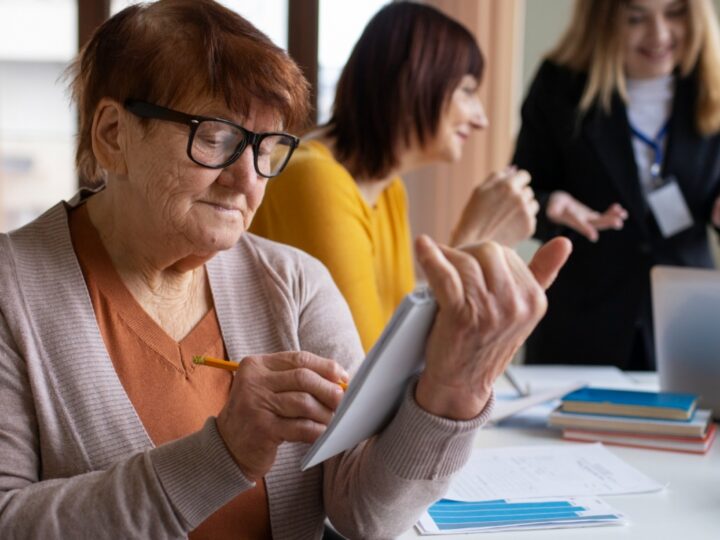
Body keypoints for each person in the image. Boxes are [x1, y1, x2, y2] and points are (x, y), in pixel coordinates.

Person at [0, 1, 571, 538]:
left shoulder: (295, 284)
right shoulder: (12, 290)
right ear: (112, 134)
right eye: (216, 137)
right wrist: (221, 456)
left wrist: (453, 391)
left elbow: (363, 512)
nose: (248, 179)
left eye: (266, 146)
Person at [250, 2, 539, 352]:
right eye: (466, 90)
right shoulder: (315, 179)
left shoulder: (387, 188)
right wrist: (475, 239)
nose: (481, 119)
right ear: (415, 81)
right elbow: (366, 367)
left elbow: (397, 342)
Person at [513, 0, 720, 371]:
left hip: (688, 320)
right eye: (636, 18)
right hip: (583, 320)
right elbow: (525, 188)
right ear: (603, 21)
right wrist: (550, 204)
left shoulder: (713, 83)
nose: (658, 34)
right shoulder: (559, 86)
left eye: (674, 14)